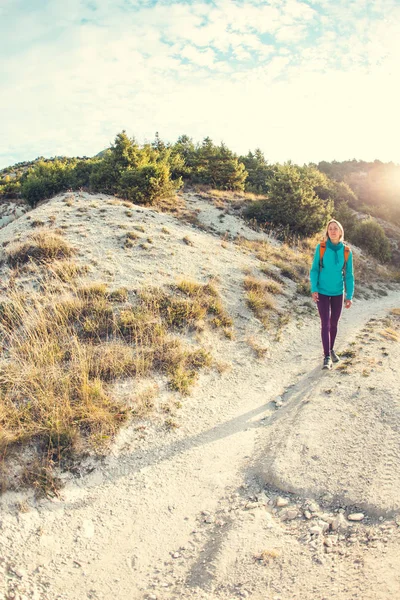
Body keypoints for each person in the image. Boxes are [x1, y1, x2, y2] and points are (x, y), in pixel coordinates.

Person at [310, 219, 354, 370]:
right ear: (327, 232)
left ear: (341, 232)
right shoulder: (321, 247)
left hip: (338, 292)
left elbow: (349, 275)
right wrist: (314, 288)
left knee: (334, 323)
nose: (333, 231)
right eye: (330, 229)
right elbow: (314, 269)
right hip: (322, 291)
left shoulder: (347, 251)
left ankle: (331, 348)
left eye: (336, 228)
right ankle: (327, 356)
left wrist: (349, 296)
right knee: (325, 323)